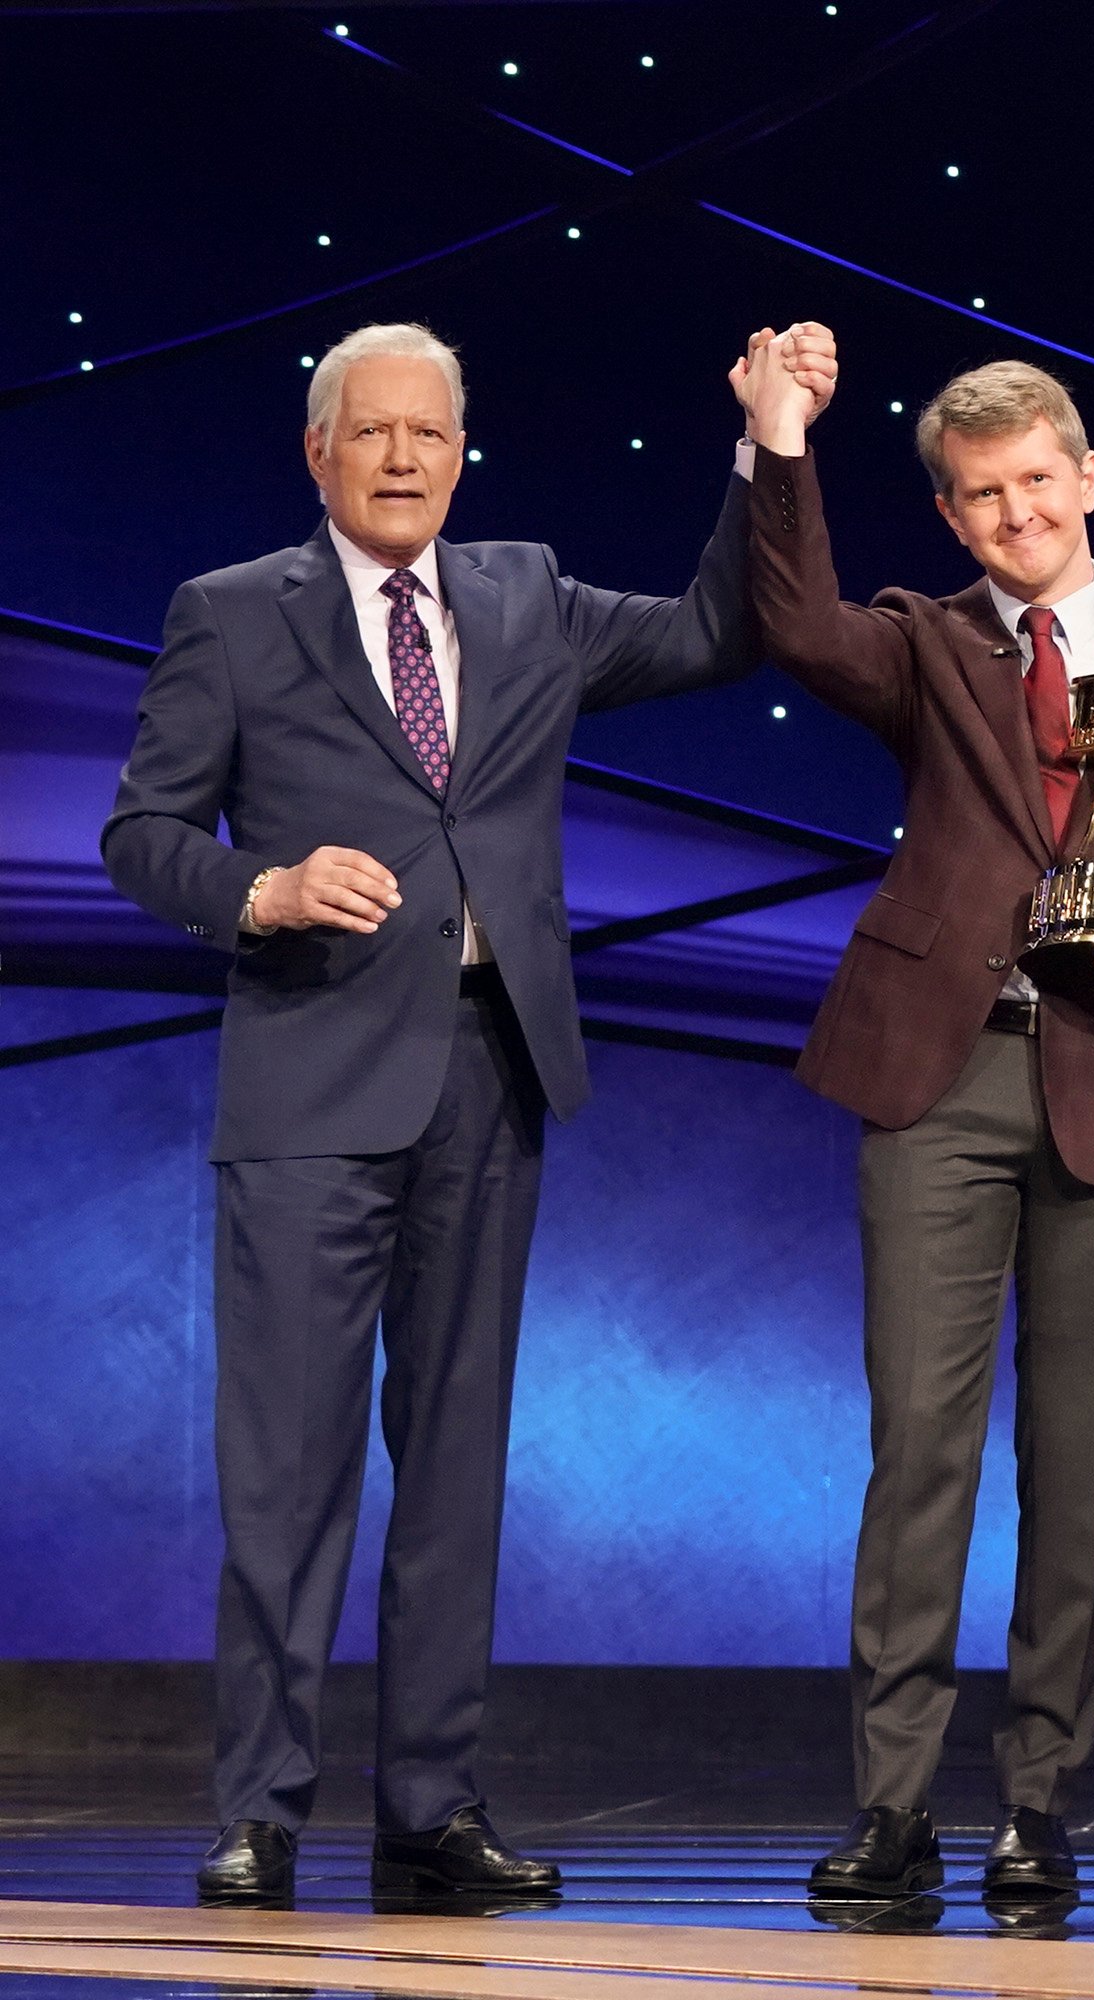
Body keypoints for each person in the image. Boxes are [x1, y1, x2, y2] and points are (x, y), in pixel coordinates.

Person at [102, 322, 766, 1907]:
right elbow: (141, 830)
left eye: (433, 432)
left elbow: (718, 629)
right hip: (311, 1083)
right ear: (319, 453)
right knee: (289, 1472)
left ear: (464, 451)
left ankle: (433, 1810)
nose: (405, 456)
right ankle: (259, 1809)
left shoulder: (526, 594)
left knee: (456, 1466)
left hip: (490, 1072)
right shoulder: (234, 614)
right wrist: (258, 886)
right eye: (373, 431)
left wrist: (768, 450)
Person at [730, 329, 1094, 1902]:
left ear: (1088, 476)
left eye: (1036, 482)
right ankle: (891, 1804)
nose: (1014, 517)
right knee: (919, 1449)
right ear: (952, 515)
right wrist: (781, 438)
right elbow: (790, 618)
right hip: (940, 1077)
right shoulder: (927, 644)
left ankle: (1038, 1799)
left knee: (1078, 1461)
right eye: (981, 498)